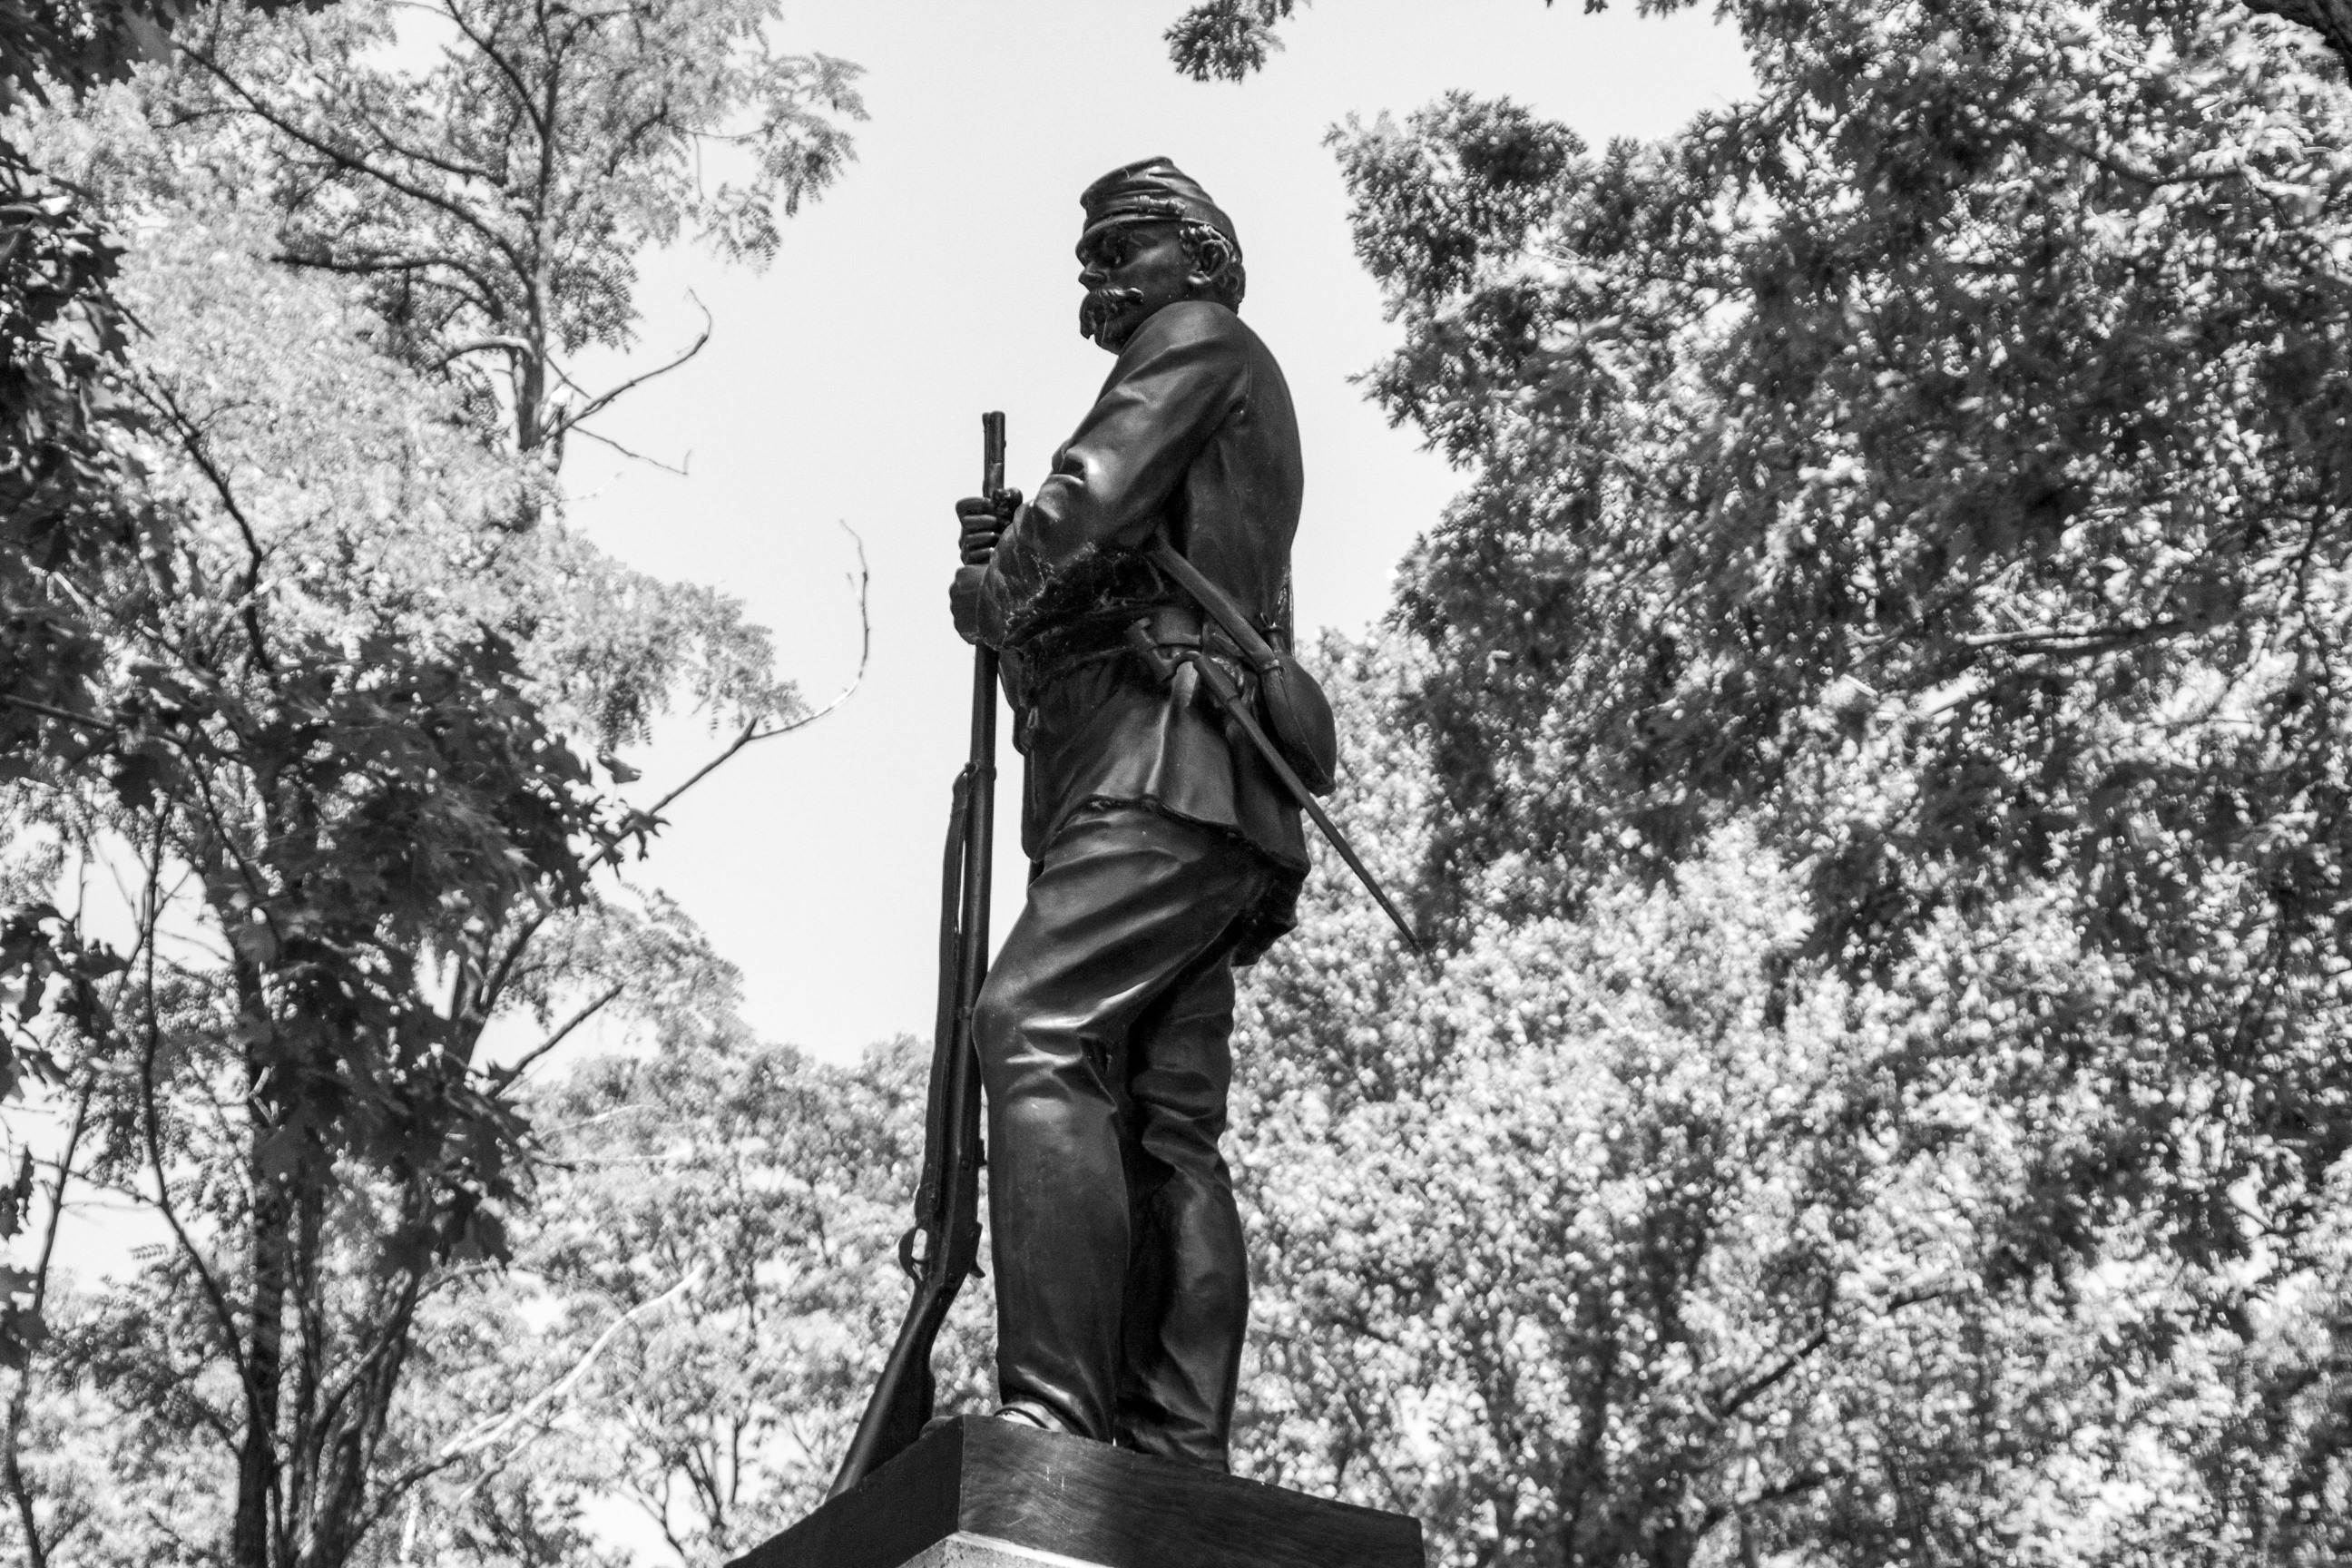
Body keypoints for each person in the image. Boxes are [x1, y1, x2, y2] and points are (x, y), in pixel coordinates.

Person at [946, 156, 1307, 1472]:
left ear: (1203, 258)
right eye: (1091, 254)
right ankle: (1174, 1451)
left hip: (1161, 775)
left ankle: (1055, 1423)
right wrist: (1020, 609)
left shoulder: (1197, 341)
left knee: (1030, 1029)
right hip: (1208, 794)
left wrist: (998, 587)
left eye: (1129, 247)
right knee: (1167, 1123)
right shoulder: (1233, 388)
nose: (1100, 272)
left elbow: (1087, 504)